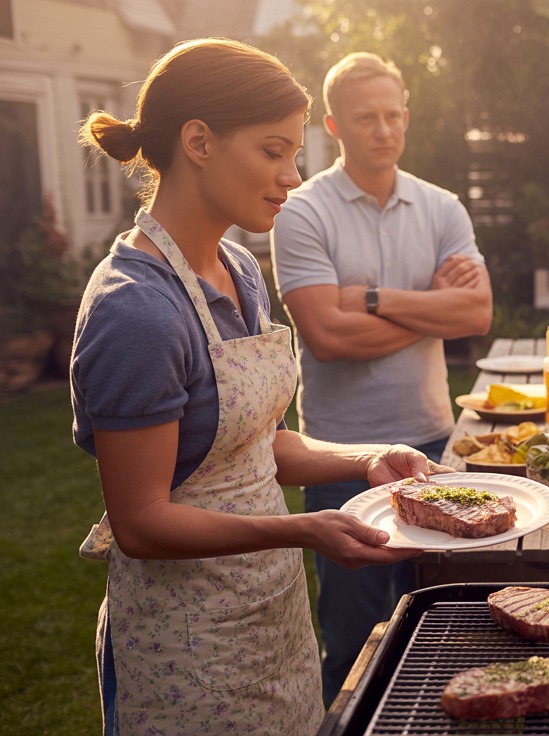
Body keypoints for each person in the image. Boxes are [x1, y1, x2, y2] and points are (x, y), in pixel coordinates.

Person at [72, 39, 439, 735]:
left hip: (269, 619)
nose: (293, 175)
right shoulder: (137, 310)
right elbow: (142, 522)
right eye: (273, 152)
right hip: (184, 644)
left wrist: (365, 459)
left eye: (295, 155)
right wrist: (303, 527)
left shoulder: (237, 269)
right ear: (199, 142)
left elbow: (257, 444)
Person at [270, 51, 493, 703]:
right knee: (353, 638)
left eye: (394, 115)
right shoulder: (301, 211)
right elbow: (326, 338)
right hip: (338, 458)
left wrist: (370, 297)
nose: (385, 130)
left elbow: (476, 311)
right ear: (334, 125)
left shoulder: (441, 205)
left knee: (439, 623)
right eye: (367, 118)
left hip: (432, 446)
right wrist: (431, 305)